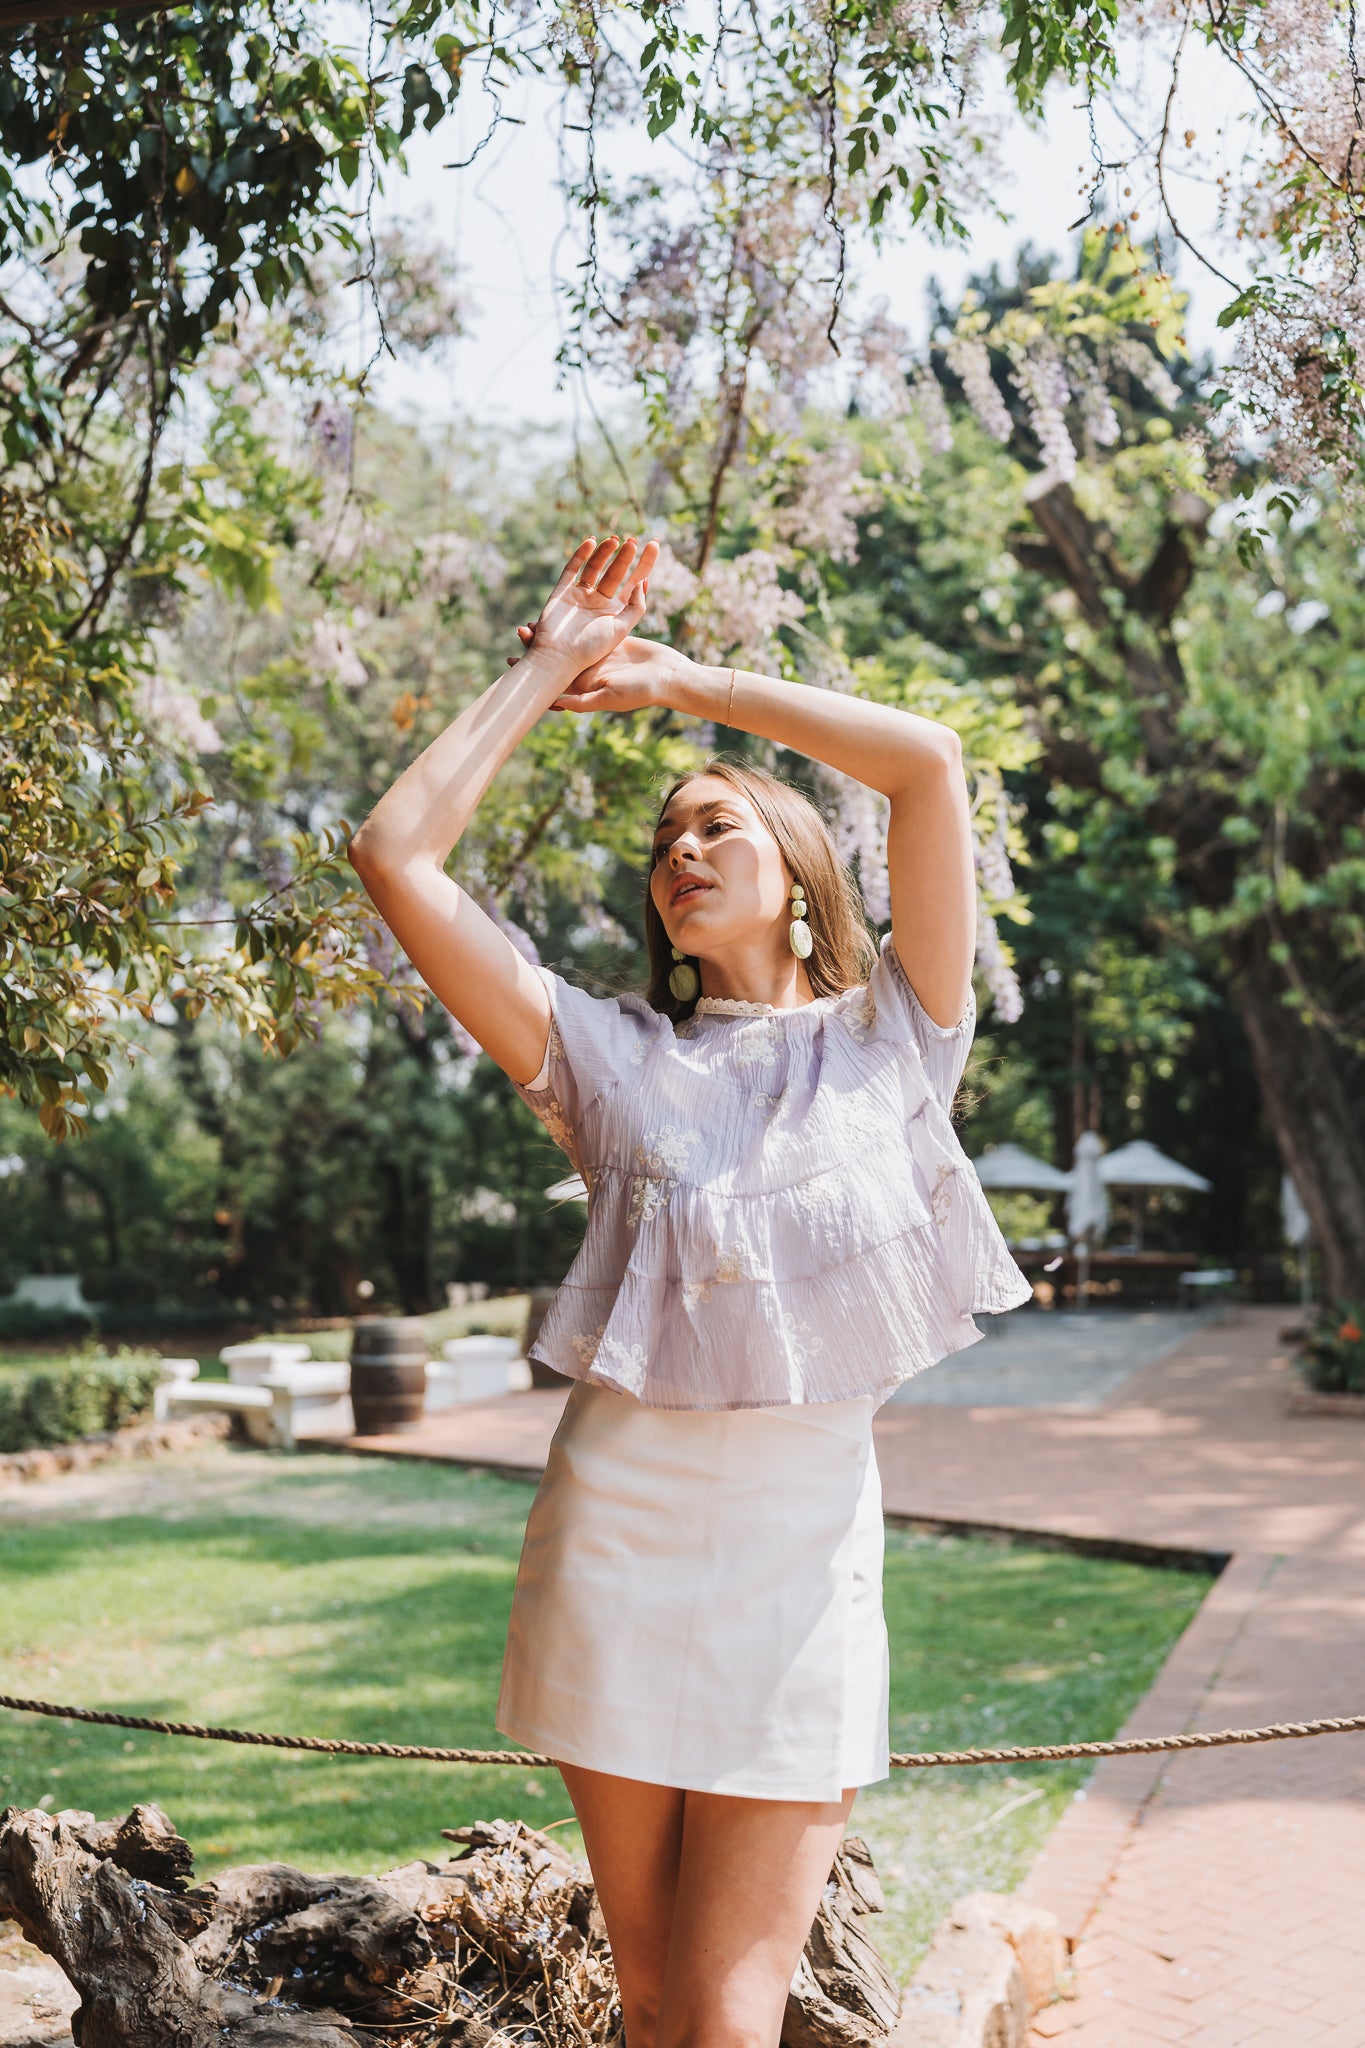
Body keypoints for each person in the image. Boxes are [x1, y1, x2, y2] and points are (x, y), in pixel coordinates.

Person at [347, 534, 1031, 2048]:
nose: (680, 855)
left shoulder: (897, 1038)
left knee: (730, 2017)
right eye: (664, 845)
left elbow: (925, 764)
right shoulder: (608, 1064)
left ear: (800, 877)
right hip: (619, 1534)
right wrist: (544, 663)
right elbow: (394, 857)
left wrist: (685, 682)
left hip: (801, 1570)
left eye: (715, 825)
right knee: (650, 2006)